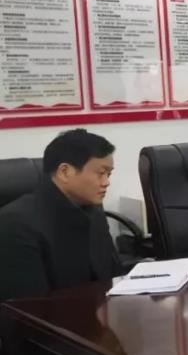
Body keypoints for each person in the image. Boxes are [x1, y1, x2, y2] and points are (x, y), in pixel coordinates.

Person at [0, 129, 125, 301]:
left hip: (98, 311)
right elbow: (27, 306)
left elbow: (113, 277)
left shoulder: (93, 212)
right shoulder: (15, 224)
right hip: (48, 316)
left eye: (109, 174)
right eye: (101, 173)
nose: (106, 182)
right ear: (65, 172)